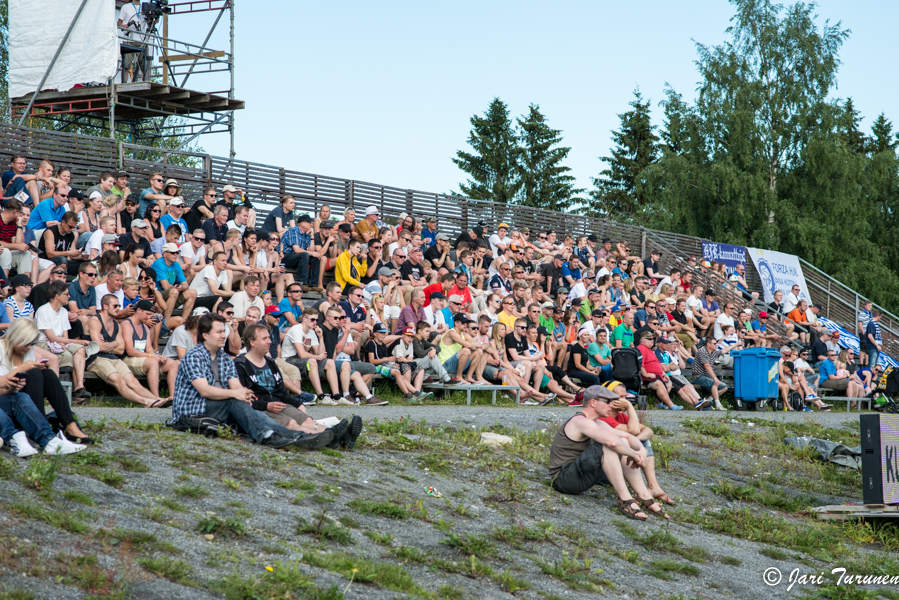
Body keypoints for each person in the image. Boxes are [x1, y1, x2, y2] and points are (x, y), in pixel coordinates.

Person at [171, 313, 333, 449]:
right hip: (191, 413)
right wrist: (237, 393)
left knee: (250, 409)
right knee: (235, 400)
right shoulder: (194, 357)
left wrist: (244, 394)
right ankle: (269, 435)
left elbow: (236, 386)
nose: (224, 335)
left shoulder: (225, 359)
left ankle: (299, 436)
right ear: (205, 335)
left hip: (216, 408)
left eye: (224, 331)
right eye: (219, 332)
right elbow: (204, 391)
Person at [548, 385, 666, 521]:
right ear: (593, 402)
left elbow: (628, 437)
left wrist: (641, 450)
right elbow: (612, 443)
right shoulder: (580, 421)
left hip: (581, 474)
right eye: (608, 401)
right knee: (608, 446)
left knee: (623, 441)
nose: (612, 405)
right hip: (564, 480)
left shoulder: (598, 423)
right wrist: (634, 455)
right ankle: (626, 500)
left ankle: (644, 495)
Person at [236, 323, 362, 447]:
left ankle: (340, 436)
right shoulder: (241, 364)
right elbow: (242, 400)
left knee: (308, 421)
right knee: (291, 423)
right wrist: (267, 405)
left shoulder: (270, 362)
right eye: (264, 338)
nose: (270, 341)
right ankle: (334, 438)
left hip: (279, 404)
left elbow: (282, 392)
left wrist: (297, 404)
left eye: (269, 337)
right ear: (252, 342)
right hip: (261, 409)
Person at [87, 294, 171, 407]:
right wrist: (115, 343)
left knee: (133, 382)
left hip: (114, 358)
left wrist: (109, 344)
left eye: (119, 306)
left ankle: (157, 400)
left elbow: (121, 349)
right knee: (119, 381)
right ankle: (147, 402)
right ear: (105, 306)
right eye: (115, 306)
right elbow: (99, 348)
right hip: (97, 359)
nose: (118, 308)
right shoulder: (95, 320)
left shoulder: (116, 324)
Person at [35, 280, 95, 400]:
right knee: (74, 354)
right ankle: (54, 393)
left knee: (80, 350)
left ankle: (79, 387)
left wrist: (65, 343)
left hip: (58, 343)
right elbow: (51, 337)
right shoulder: (43, 310)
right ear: (57, 296)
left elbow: (65, 336)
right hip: (44, 344)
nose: (69, 296)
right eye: (66, 294)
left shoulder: (63, 311)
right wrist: (77, 342)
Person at [281, 307, 344, 404]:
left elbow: (321, 353)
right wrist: (318, 357)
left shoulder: (311, 332)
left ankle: (336, 396)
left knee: (330, 362)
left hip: (303, 360)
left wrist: (321, 337)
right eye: (312, 319)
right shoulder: (296, 330)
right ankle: (321, 396)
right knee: (312, 361)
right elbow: (302, 354)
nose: (315, 322)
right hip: (290, 360)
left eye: (317, 320)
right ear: (304, 319)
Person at [121, 300, 180, 400]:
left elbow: (149, 348)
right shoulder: (127, 324)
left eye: (151, 315)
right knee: (153, 362)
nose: (149, 317)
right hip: (128, 359)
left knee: (172, 363)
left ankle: (173, 398)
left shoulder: (145, 326)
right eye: (147, 314)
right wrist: (151, 356)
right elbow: (130, 350)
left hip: (144, 360)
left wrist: (157, 355)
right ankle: (155, 398)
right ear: (139, 310)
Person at [690, 336, 728, 410]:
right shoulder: (702, 351)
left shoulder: (713, 352)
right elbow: (707, 366)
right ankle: (718, 405)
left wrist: (736, 344)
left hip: (707, 377)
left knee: (724, 387)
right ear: (708, 344)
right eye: (714, 343)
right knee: (715, 383)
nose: (716, 345)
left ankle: (708, 402)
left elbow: (724, 350)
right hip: (698, 377)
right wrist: (715, 378)